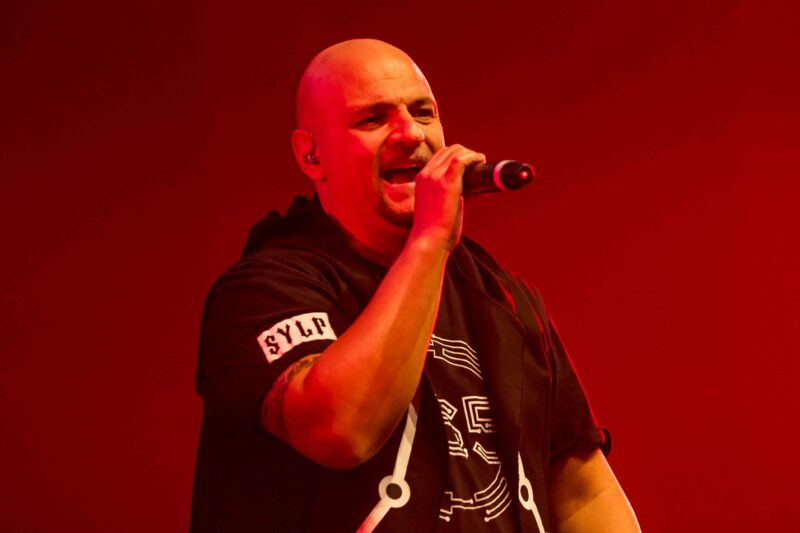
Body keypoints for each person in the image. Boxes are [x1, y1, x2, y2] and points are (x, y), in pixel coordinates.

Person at [191, 38, 640, 532]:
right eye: (373, 119)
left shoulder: (502, 297)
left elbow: (582, 492)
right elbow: (341, 431)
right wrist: (428, 240)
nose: (410, 133)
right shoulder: (263, 290)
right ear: (311, 154)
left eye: (423, 113)